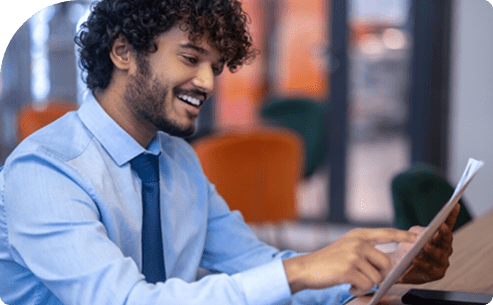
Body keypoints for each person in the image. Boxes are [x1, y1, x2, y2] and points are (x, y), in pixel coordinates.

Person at [0, 0, 458, 304]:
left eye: (215, 67)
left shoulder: (179, 163)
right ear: (123, 52)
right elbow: (127, 301)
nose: (207, 83)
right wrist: (302, 270)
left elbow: (259, 268)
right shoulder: (46, 170)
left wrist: (376, 271)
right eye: (190, 58)